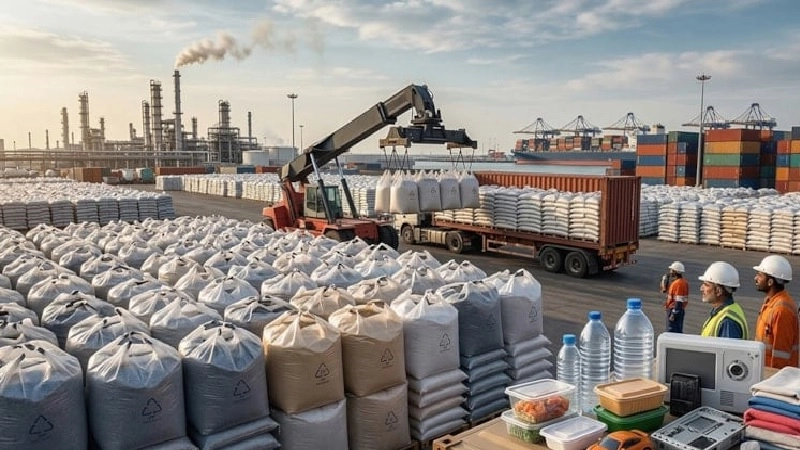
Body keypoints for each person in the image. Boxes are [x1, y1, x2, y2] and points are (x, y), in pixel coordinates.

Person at [753, 255, 799, 369]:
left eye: (760, 275)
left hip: (775, 374)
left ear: (770, 282)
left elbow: (781, 354)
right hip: (763, 370)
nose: (756, 278)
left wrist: (773, 377)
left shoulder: (781, 310)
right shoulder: (770, 302)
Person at [699, 261, 748, 339]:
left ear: (718, 291)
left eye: (706, 285)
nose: (701, 288)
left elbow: (728, 347)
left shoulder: (727, 321)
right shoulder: (722, 313)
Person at [661, 261, 689, 333]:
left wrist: (674, 313)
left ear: (675, 271)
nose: (670, 272)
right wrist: (664, 282)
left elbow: (678, 300)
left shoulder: (678, 284)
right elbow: (665, 290)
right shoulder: (681, 282)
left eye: (671, 270)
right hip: (677, 309)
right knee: (677, 331)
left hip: (674, 309)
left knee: (672, 332)